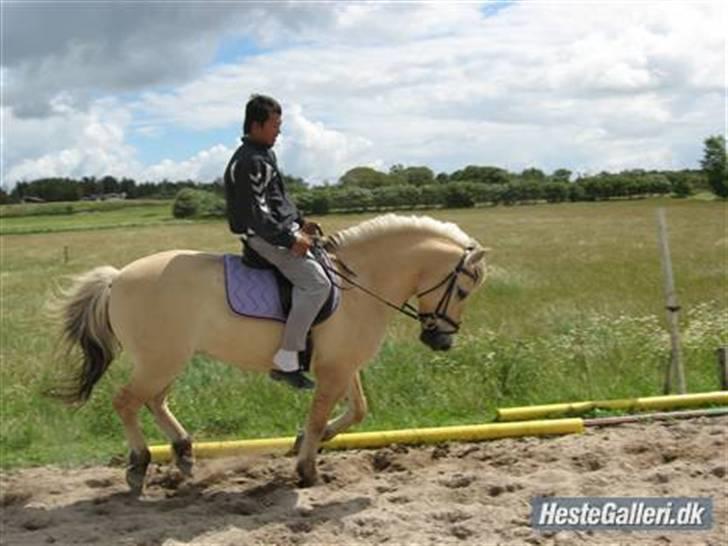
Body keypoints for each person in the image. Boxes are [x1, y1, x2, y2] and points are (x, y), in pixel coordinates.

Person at [223, 94, 330, 390]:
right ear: (257, 126)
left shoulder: (263, 155)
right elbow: (259, 216)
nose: (279, 131)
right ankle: (286, 357)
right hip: (263, 239)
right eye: (275, 125)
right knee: (317, 284)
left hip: (273, 231)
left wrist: (300, 221)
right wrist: (290, 237)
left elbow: (277, 200)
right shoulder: (251, 162)